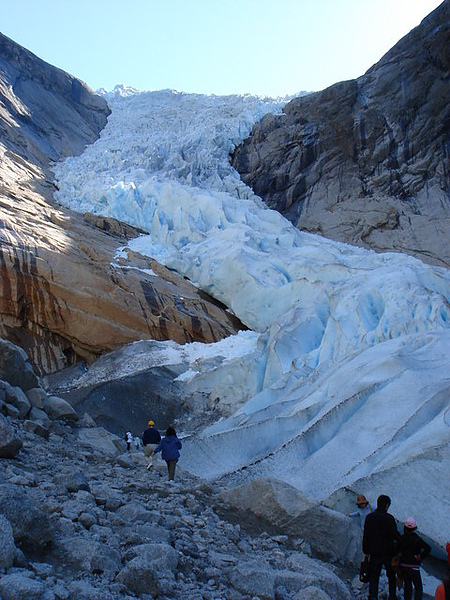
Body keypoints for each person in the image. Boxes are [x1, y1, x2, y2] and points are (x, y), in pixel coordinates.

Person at [363, 494, 400, 600]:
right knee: (391, 576)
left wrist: (366, 550)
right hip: (388, 552)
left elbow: (366, 535)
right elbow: (395, 535)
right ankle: (392, 596)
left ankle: (373, 596)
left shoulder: (369, 518)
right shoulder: (389, 518)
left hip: (374, 552)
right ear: (387, 505)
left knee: (374, 576)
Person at [397, 517, 431, 600]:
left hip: (403, 565)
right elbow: (428, 548)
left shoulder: (401, 538)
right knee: (418, 587)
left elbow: (396, 549)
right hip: (414, 566)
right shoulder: (417, 539)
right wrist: (421, 556)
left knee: (407, 586)